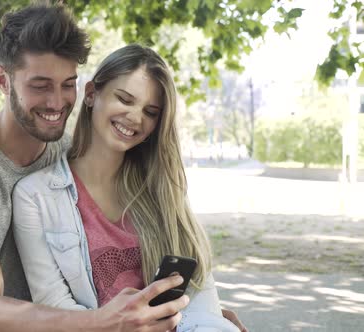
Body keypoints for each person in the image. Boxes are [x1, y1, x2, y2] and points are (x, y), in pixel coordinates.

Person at [0, 3, 193, 331]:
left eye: (66, 84)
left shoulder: (64, 153)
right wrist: (101, 321)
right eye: (40, 85)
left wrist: (188, 318)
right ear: (3, 80)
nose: (57, 102)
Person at [12, 44, 243, 331]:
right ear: (92, 94)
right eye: (124, 99)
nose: (135, 118)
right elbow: (53, 304)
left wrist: (214, 323)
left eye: (150, 111)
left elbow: (197, 289)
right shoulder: (35, 195)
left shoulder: (162, 191)